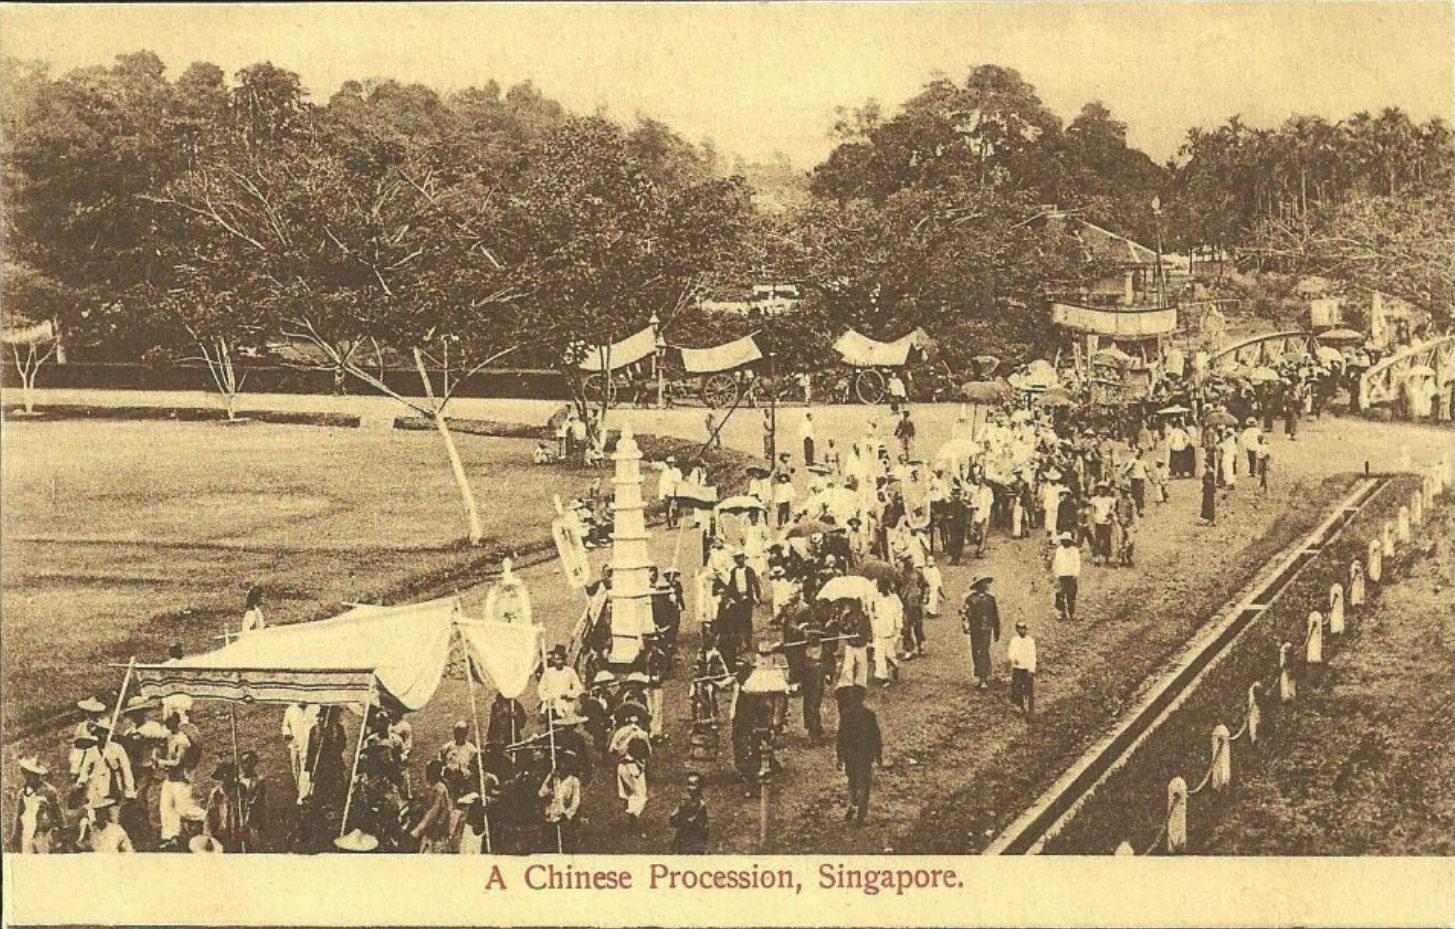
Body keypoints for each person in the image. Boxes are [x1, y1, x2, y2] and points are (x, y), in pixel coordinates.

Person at [835, 689, 883, 824]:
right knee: (864, 782)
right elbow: (876, 736)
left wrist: (840, 757)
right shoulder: (869, 715)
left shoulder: (846, 715)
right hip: (864, 754)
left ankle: (854, 803)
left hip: (851, 754)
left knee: (853, 780)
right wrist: (878, 755)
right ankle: (861, 811)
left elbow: (841, 738)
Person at [156, 711, 202, 849]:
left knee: (183, 809)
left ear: (176, 722)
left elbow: (177, 762)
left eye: (169, 721)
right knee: (166, 808)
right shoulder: (169, 736)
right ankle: (170, 836)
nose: (166, 724)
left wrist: (160, 762)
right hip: (170, 778)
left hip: (181, 779)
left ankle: (205, 817)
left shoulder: (183, 740)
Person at [11, 758, 61, 854]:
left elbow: (57, 812)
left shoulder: (49, 791)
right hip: (28, 831)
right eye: (26, 774)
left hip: (43, 832)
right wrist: (16, 834)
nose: (28, 777)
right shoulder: (23, 793)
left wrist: (60, 830)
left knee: (44, 858)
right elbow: (19, 814)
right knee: (28, 858)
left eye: (32, 774)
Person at [960, 576, 1001, 690]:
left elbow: (995, 615)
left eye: (986, 583)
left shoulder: (990, 599)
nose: (986, 585)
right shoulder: (970, 599)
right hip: (975, 629)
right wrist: (966, 626)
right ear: (979, 585)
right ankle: (980, 676)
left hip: (986, 629)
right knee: (975, 651)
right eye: (984, 583)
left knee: (983, 651)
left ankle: (984, 678)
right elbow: (964, 614)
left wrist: (996, 630)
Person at [538, 756, 582, 853]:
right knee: (549, 846)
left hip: (565, 818)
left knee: (566, 846)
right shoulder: (555, 779)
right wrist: (549, 777)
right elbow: (541, 793)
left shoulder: (573, 781)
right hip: (551, 816)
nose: (563, 765)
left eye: (567, 763)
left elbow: (576, 800)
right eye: (562, 763)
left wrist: (567, 814)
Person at [537, 645, 585, 721]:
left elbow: (578, 688)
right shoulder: (548, 672)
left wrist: (568, 694)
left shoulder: (569, 671)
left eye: (561, 659)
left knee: (566, 720)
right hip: (551, 704)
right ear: (553, 659)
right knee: (552, 721)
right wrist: (547, 697)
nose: (559, 662)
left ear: (564, 659)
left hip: (566, 704)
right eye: (556, 659)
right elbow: (541, 688)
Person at [870, 580, 903, 686]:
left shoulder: (894, 599)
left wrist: (898, 629)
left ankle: (894, 666)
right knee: (879, 655)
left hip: (890, 631)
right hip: (878, 631)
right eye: (880, 588)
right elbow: (872, 613)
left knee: (890, 654)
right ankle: (883, 677)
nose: (882, 590)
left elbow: (898, 614)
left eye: (884, 588)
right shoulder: (875, 598)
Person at [438, 721, 481, 801]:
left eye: (462, 732)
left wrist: (467, 774)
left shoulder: (472, 749)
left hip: (465, 783)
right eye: (457, 732)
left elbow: (475, 769)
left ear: (466, 733)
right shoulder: (446, 747)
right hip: (449, 781)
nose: (459, 735)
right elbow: (440, 764)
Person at [282, 702, 319, 794]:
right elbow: (285, 725)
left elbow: (316, 726)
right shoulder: (290, 710)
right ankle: (299, 789)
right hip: (294, 743)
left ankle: (305, 792)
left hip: (307, 744)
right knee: (295, 767)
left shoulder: (314, 709)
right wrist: (287, 733)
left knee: (305, 767)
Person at [669, 772, 710, 854]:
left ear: (700, 787)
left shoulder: (701, 805)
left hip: (694, 841)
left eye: (693, 785)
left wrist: (679, 820)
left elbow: (691, 822)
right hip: (681, 839)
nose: (689, 788)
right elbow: (672, 818)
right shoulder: (685, 803)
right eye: (688, 784)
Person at [1007, 621, 1038, 717]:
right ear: (1017, 630)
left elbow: (1032, 655)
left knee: (1028, 689)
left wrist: (1031, 669)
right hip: (1017, 669)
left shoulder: (1030, 641)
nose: (1022, 630)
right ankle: (1019, 707)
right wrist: (1013, 659)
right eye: (1020, 628)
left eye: (1024, 628)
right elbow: (1010, 653)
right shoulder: (1014, 640)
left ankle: (1030, 708)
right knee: (1017, 688)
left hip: (1027, 668)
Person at [1052, 532, 1081, 622]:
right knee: (1060, 595)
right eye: (1063, 541)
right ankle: (1061, 613)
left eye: (1066, 541)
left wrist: (1076, 574)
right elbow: (1056, 562)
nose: (1064, 543)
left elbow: (1078, 563)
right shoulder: (1059, 550)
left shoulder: (1074, 551)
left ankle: (1071, 613)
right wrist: (1056, 575)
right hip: (1061, 576)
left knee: (1071, 595)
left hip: (1071, 576)